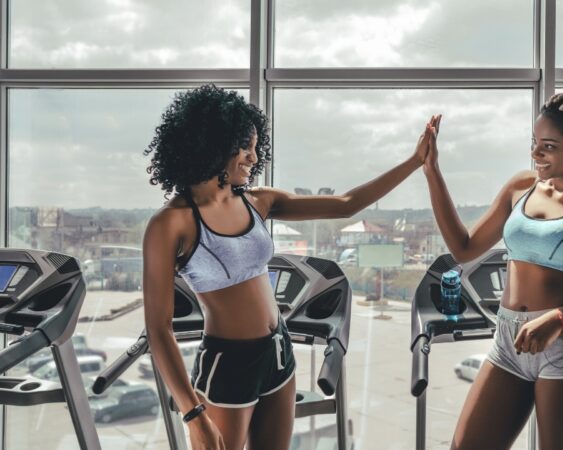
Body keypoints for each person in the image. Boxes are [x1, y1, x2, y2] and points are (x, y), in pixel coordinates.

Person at [142, 84, 432, 450]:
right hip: (228, 363)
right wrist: (192, 413)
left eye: (255, 148)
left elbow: (346, 204)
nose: (252, 156)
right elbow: (158, 328)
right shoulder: (170, 224)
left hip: (278, 350)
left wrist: (413, 161)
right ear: (214, 144)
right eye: (244, 147)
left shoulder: (258, 201)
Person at [421, 91, 563, 450]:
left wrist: (560, 319)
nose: (536, 153)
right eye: (534, 142)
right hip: (508, 341)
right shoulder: (520, 187)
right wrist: (432, 172)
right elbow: (464, 248)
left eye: (549, 146)